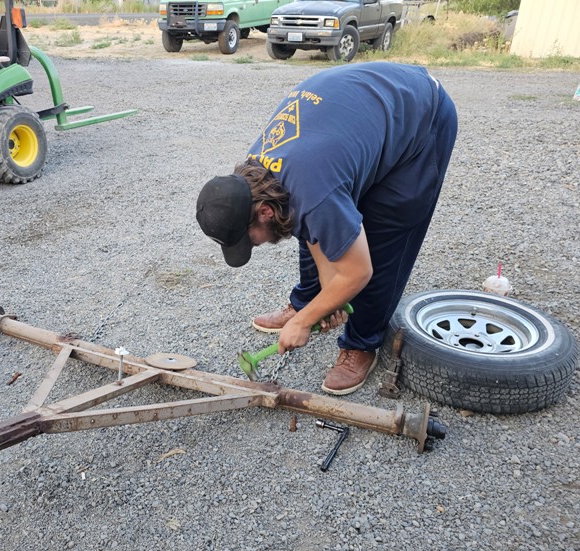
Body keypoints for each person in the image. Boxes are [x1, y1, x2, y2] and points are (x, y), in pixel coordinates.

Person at [196, 62, 458, 395]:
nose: (256, 246)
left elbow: (358, 271)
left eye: (251, 241)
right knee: (303, 218)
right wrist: (326, 299)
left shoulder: (313, 190)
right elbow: (312, 226)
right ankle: (307, 301)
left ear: (261, 211)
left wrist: (305, 321)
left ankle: (361, 344)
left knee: (385, 235)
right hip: (363, 115)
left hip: (423, 117)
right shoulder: (258, 173)